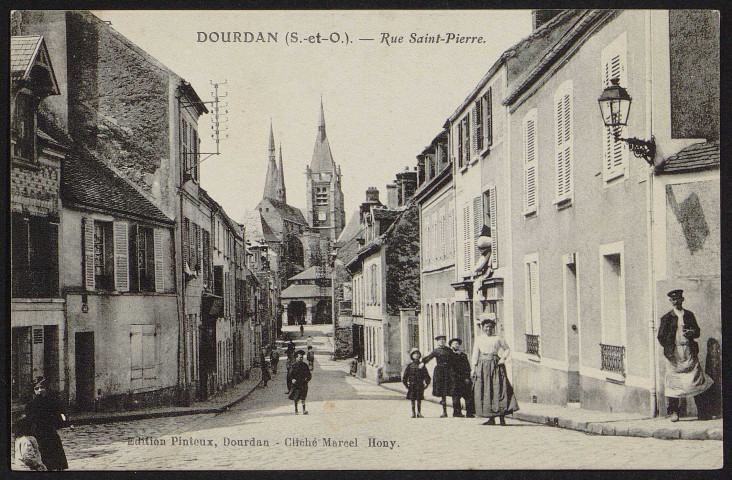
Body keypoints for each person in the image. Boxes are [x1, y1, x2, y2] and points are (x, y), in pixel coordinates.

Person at [657, 289, 713, 422]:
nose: (676, 302)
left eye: (679, 299)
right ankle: (674, 412)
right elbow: (661, 337)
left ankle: (703, 412)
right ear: (671, 301)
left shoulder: (689, 315)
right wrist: (669, 348)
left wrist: (691, 333)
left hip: (688, 351)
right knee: (674, 383)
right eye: (673, 300)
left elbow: (697, 332)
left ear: (682, 300)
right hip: (674, 354)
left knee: (696, 380)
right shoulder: (667, 318)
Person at [472, 313, 519, 425]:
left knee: (499, 389)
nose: (488, 329)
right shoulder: (479, 339)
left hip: (496, 365)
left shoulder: (498, 338)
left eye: (490, 327)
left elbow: (507, 349)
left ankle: (502, 417)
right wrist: (473, 367)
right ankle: (490, 417)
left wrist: (503, 358)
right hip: (483, 366)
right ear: (482, 328)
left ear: (493, 328)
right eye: (486, 327)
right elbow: (475, 353)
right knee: (486, 390)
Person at [24, 376, 69, 470]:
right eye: (36, 388)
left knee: (56, 463)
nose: (40, 390)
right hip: (38, 437)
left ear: (46, 388)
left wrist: (62, 417)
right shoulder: (30, 405)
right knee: (43, 463)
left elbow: (60, 416)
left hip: (51, 435)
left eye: (42, 387)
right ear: (33, 390)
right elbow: (30, 421)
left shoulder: (52, 402)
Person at [421, 334, 452, 417]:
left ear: (445, 342)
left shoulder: (449, 350)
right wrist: (422, 363)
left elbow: (454, 360)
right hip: (440, 371)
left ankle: (455, 411)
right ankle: (444, 411)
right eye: (440, 340)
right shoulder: (436, 351)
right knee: (442, 391)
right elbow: (428, 358)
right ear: (437, 342)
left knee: (449, 389)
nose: (442, 342)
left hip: (448, 371)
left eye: (443, 340)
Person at [448, 338, 475, 418]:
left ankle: (469, 412)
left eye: (457, 344)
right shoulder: (450, 355)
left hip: (463, 378)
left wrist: (467, 377)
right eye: (454, 344)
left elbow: (467, 367)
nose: (456, 345)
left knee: (468, 395)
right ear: (451, 346)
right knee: (455, 396)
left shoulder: (463, 355)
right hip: (454, 379)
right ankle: (457, 412)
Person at [403, 348, 431, 418]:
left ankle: (419, 412)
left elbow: (426, 375)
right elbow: (405, 376)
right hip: (412, 385)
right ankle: (413, 413)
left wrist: (426, 384)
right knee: (412, 399)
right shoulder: (410, 366)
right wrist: (406, 385)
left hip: (420, 384)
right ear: (412, 356)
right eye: (414, 354)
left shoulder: (422, 365)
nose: (416, 355)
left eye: (417, 354)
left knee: (419, 399)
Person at [288, 350, 312, 414]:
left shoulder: (305, 365)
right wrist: (292, 379)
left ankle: (304, 410)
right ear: (296, 358)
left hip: (303, 383)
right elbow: (290, 375)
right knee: (296, 397)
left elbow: (309, 374)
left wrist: (307, 379)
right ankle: (296, 410)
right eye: (299, 357)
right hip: (296, 384)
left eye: (302, 357)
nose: (301, 359)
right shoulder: (293, 366)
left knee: (303, 397)